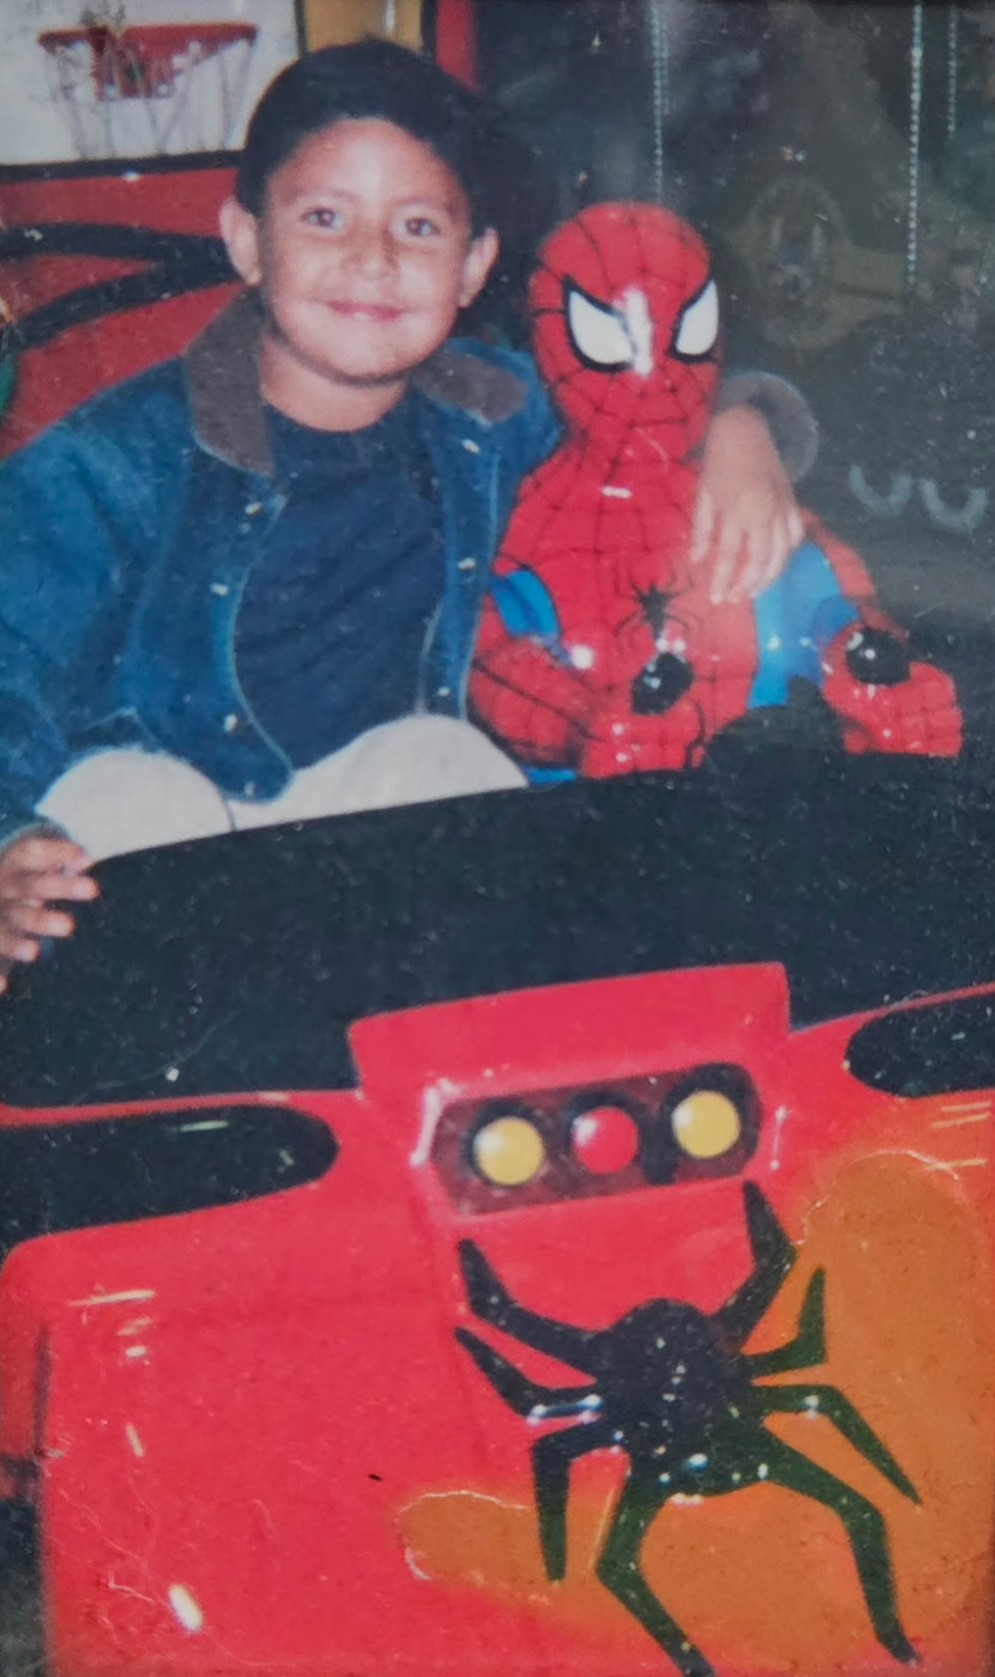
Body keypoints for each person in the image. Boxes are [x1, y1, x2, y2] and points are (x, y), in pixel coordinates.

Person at [0, 36, 811, 984]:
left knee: (443, 760)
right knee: (134, 802)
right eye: (326, 218)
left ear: (473, 266)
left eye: (419, 228)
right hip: (156, 837)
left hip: (366, 837)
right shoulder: (111, 460)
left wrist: (741, 423)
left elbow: (625, 414)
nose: (373, 260)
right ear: (248, 240)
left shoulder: (495, 409)